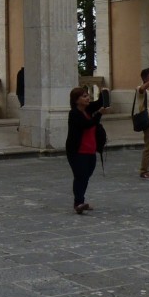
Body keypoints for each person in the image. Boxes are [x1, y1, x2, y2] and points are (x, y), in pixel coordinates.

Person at [65, 86, 108, 214]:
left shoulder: (87, 109)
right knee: (80, 176)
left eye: (87, 95)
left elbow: (99, 103)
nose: (87, 97)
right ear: (76, 100)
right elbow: (87, 125)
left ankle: (80, 200)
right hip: (77, 151)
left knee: (85, 176)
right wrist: (99, 114)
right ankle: (78, 203)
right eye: (84, 96)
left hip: (90, 149)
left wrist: (104, 93)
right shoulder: (74, 113)